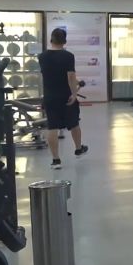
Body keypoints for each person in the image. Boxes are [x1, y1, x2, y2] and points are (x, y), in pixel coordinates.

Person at [38, 28, 88, 169]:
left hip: (50, 96)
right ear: (64, 41)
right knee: (74, 123)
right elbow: (70, 76)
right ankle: (78, 149)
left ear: (51, 40)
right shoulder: (68, 56)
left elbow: (48, 75)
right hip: (66, 96)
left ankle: (56, 160)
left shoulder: (42, 56)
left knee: (52, 127)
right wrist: (74, 94)